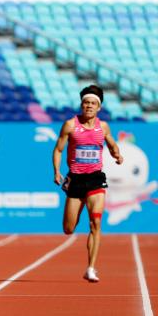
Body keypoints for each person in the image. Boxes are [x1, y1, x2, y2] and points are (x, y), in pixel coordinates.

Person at [52, 85, 122, 283]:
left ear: (99, 107)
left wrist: (116, 154)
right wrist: (56, 171)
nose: (89, 106)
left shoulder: (103, 127)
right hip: (75, 180)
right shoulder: (70, 125)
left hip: (95, 179)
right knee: (68, 228)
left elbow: (111, 143)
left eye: (93, 103)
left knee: (95, 223)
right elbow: (58, 150)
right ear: (81, 105)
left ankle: (91, 268)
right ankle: (75, 217)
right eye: (86, 103)